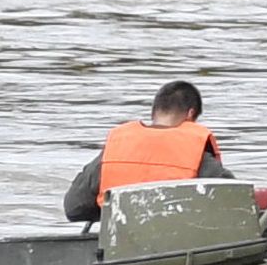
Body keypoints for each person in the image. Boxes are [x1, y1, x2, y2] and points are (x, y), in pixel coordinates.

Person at [64, 79, 230, 236]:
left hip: (119, 245)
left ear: (154, 112)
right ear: (190, 114)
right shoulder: (196, 153)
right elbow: (236, 204)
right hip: (176, 244)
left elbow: (74, 208)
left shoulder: (116, 148)